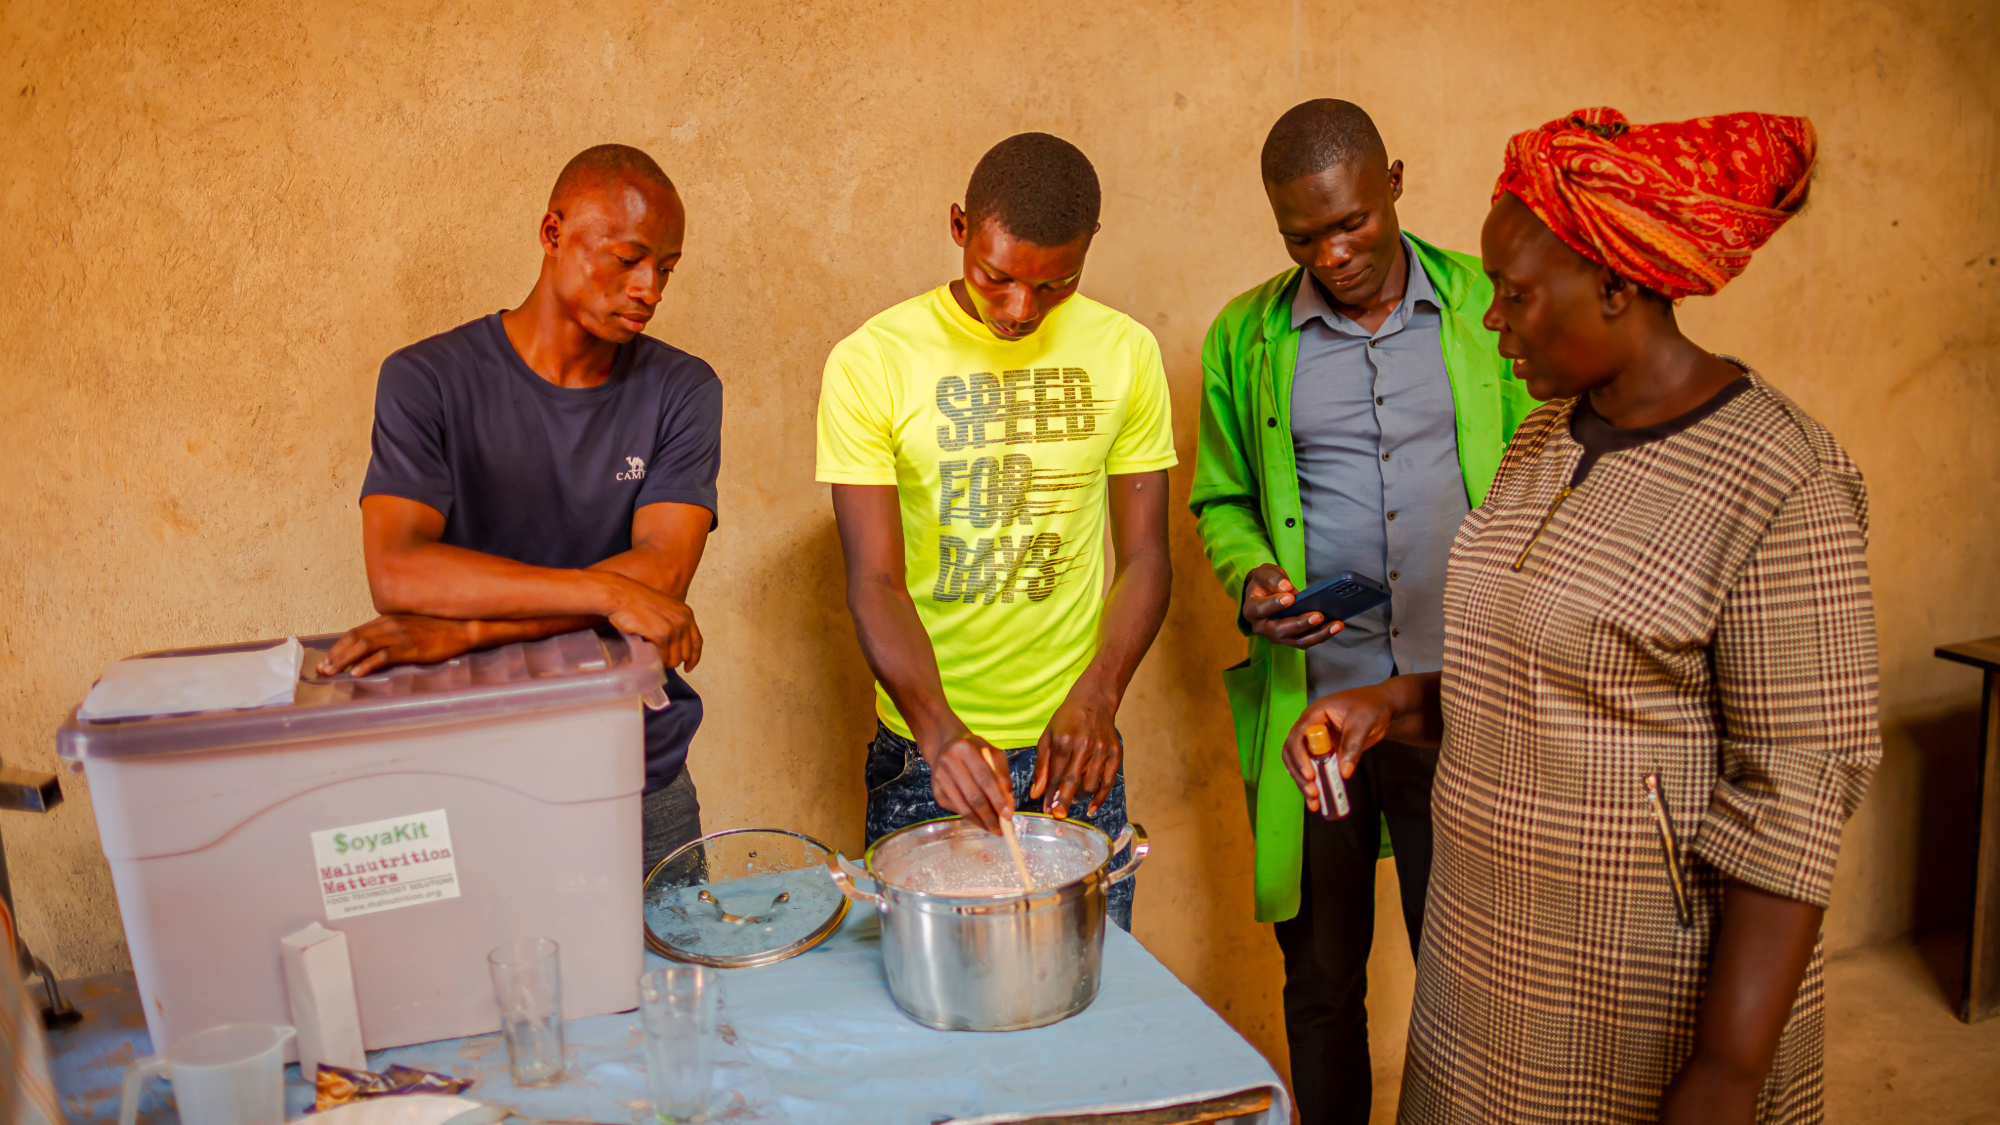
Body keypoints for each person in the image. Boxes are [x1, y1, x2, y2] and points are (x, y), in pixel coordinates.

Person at [1282, 108, 1879, 1124]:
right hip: (1480, 975)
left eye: (1512, 294)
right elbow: (1539, 669)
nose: (1488, 320)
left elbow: (1791, 799)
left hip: (1627, 997)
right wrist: (1389, 704)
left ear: (1614, 286)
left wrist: (1727, 1073)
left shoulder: (1780, 480)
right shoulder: (1545, 438)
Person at [1189, 99, 1535, 1122]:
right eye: (1302, 237)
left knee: (1465, 976)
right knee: (1322, 977)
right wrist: (1252, 580)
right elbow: (1220, 499)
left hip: (1462, 706)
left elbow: (1552, 471)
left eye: (1350, 224)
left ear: (1393, 179)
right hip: (1320, 720)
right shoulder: (1244, 338)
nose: (1331, 254)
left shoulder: (1490, 304)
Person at [318, 144, 722, 875]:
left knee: (676, 986)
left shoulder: (681, 390)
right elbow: (399, 572)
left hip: (636, 769)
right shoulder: (425, 381)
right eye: (628, 258)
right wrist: (605, 591)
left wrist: (468, 628)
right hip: (473, 767)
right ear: (552, 232)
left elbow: (659, 576)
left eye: (665, 268)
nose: (649, 289)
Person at [816, 133, 1175, 931]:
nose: (1020, 309)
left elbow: (1147, 556)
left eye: (1055, 285)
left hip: (1076, 750)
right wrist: (941, 734)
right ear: (958, 228)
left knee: (1090, 1001)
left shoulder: (1125, 353)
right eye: (997, 278)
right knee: (933, 1017)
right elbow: (872, 580)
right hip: (926, 754)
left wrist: (1100, 693)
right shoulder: (872, 361)